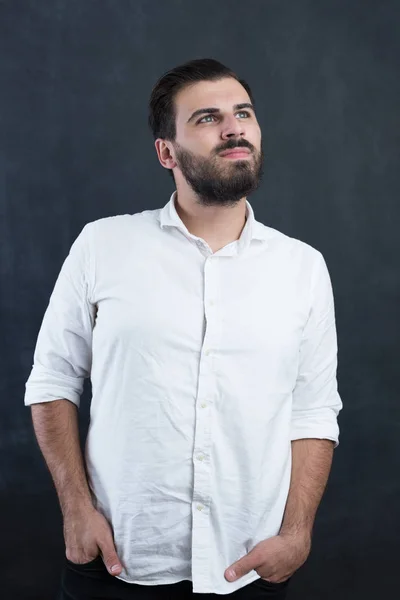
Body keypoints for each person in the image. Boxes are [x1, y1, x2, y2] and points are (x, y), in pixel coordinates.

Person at [24, 58, 343, 599]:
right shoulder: (102, 246)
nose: (234, 127)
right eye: (207, 118)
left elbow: (313, 409)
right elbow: (52, 381)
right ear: (166, 152)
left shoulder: (303, 267)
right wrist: (76, 510)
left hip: (247, 568)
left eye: (243, 113)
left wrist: (297, 533)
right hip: (117, 562)